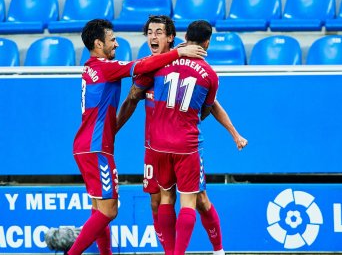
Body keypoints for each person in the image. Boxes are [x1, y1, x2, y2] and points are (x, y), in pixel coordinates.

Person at [66, 19, 207, 255]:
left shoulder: (91, 68)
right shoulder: (105, 67)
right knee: (109, 211)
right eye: (112, 40)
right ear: (98, 43)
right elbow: (141, 66)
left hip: (85, 145)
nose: (117, 44)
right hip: (96, 147)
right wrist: (179, 52)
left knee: (98, 209)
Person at [117, 16, 247, 255]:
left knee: (184, 199)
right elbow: (206, 110)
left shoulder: (155, 67)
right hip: (180, 144)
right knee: (170, 200)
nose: (153, 37)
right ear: (207, 43)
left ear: (177, 37)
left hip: (158, 145)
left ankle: (214, 250)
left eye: (159, 32)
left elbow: (131, 97)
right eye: (150, 32)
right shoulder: (205, 74)